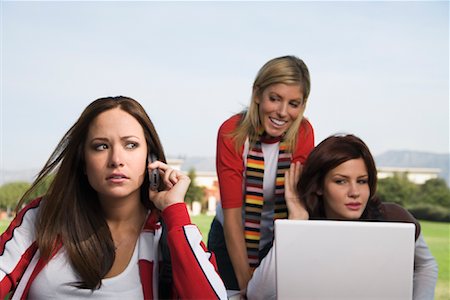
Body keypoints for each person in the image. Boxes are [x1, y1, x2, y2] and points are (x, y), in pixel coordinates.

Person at [0, 96, 227, 299]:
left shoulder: (165, 234)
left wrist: (174, 210)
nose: (116, 159)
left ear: (151, 158)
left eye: (131, 145)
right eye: (101, 146)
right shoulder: (42, 216)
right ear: (83, 162)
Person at [247, 134, 438, 300]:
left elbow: (426, 265)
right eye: (341, 181)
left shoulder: (393, 217)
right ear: (320, 186)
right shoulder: (300, 228)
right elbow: (258, 295)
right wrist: (296, 219)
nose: (354, 192)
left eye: (362, 181)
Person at [207, 55, 315, 293]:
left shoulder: (303, 133)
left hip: (279, 237)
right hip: (229, 238)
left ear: (303, 105)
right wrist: (247, 281)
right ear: (257, 94)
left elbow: (299, 201)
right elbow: (232, 213)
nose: (282, 112)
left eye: (293, 104)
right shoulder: (231, 133)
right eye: (274, 99)